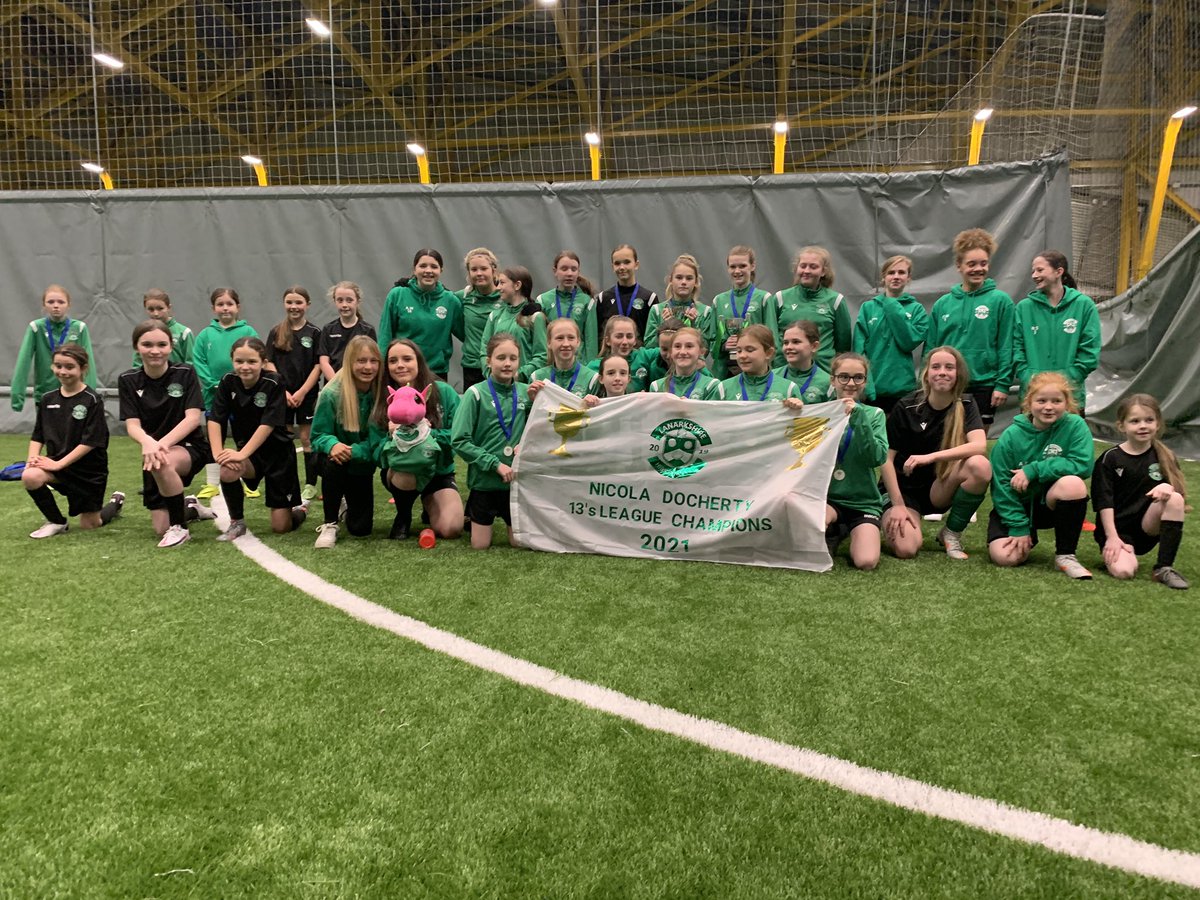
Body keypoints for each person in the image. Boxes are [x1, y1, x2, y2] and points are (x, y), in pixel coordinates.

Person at [879, 346, 991, 561]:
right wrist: (898, 505)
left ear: (958, 374)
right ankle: (886, 517)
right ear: (926, 374)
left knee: (980, 465)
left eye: (949, 367)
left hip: (939, 488)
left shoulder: (966, 403)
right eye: (936, 367)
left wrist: (930, 457)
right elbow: (886, 459)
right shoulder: (907, 406)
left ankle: (951, 533)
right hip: (904, 492)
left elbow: (979, 446)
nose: (942, 372)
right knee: (907, 549)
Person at [987, 371, 1094, 579]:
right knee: (1005, 557)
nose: (1048, 406)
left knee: (1073, 484)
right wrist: (1018, 526)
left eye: (1056, 401)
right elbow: (1001, 485)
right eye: (1041, 400)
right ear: (1029, 402)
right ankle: (1026, 535)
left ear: (1066, 402)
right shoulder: (1010, 437)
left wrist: (1034, 470)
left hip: (1051, 504)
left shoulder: (1075, 425)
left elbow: (1082, 464)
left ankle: (1066, 555)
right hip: (1020, 505)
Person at [118, 321, 215, 548]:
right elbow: (132, 425)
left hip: (189, 447)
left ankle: (180, 529)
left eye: (162, 344)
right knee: (159, 528)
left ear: (170, 347)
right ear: (136, 347)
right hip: (153, 454)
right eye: (147, 344)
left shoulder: (184, 372)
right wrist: (147, 442)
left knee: (160, 463)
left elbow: (192, 419)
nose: (155, 350)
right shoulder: (128, 380)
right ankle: (189, 507)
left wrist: (158, 445)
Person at [207, 338, 307, 540]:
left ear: (263, 362)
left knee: (281, 527)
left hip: (278, 457)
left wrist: (242, 454)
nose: (245, 367)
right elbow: (215, 419)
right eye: (239, 361)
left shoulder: (274, 382)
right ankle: (237, 523)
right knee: (227, 468)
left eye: (251, 362)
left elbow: (267, 425)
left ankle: (300, 510)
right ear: (232, 361)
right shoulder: (227, 382)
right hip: (250, 456)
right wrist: (218, 453)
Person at [23, 344, 123, 538]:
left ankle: (115, 503)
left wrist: (60, 463)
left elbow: (92, 441)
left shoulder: (92, 399)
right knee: (30, 476)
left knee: (90, 524)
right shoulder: (46, 399)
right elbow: (38, 435)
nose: (63, 371)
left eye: (69, 367)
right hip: (57, 466)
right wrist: (32, 460)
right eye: (58, 366)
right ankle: (57, 522)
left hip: (88, 472)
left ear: (83, 369)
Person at [1093, 393, 1189, 589]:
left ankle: (1163, 568)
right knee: (1124, 572)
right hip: (1116, 531)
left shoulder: (1164, 456)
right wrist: (1112, 538)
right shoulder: (1110, 459)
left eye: (1149, 420)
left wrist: (1168, 487)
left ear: (1158, 424)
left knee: (1175, 498)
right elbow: (1104, 502)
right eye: (1135, 421)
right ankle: (1117, 554)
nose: (1143, 426)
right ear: (1122, 426)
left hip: (1147, 527)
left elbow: (1179, 498)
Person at [376, 338, 464, 540]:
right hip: (401, 471)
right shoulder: (383, 398)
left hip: (438, 472)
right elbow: (375, 447)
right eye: (393, 361)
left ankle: (429, 504)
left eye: (407, 359)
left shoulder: (444, 392)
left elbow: (459, 436)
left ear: (419, 362)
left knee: (450, 528)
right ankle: (404, 515)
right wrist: (393, 438)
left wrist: (425, 435)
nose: (400, 365)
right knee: (408, 467)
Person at [927, 229, 1014, 430]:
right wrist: (929, 380)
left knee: (975, 444)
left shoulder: (1001, 302)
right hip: (949, 382)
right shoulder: (943, 304)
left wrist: (1002, 384)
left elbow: (1007, 346)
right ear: (959, 266)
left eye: (983, 263)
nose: (978, 269)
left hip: (984, 383)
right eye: (971, 264)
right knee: (946, 440)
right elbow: (931, 348)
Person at [451, 334, 531, 549]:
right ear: (488, 361)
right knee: (480, 545)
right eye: (501, 358)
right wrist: (494, 464)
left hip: (515, 484)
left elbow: (540, 430)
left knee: (519, 544)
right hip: (485, 483)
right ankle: (472, 515)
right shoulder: (475, 393)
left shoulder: (526, 393)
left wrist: (526, 445)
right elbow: (459, 440)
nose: (507, 363)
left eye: (513, 358)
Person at [310, 336, 384, 548]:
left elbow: (379, 442)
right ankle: (330, 523)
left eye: (373, 361)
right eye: (361, 361)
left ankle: (345, 505)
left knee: (361, 529)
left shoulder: (381, 395)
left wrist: (355, 451)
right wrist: (332, 445)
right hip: (335, 460)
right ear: (349, 362)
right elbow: (317, 436)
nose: (367, 367)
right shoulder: (331, 394)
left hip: (361, 465)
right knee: (332, 462)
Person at [192, 287, 259, 499]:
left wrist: (240, 384)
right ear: (213, 308)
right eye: (220, 304)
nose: (225, 308)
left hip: (243, 397)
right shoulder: (205, 335)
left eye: (229, 304)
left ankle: (249, 480)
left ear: (238, 307)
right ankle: (212, 482)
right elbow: (199, 361)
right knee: (215, 438)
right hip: (214, 396)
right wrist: (213, 384)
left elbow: (256, 357)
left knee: (245, 436)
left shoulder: (248, 332)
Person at [1014, 250, 1101, 411]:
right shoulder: (1023, 308)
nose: (1034, 275)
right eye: (1033, 271)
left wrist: (1069, 378)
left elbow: (1090, 351)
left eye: (1040, 270)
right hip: (1033, 396)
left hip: (1070, 396)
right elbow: (1016, 348)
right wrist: (1028, 377)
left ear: (1059, 272)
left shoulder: (1084, 305)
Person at [824, 353, 888, 570]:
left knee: (866, 562)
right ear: (832, 380)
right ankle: (834, 530)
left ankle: (847, 530)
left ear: (865, 382)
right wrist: (791, 409)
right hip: (828, 499)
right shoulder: (820, 412)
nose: (851, 383)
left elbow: (876, 458)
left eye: (858, 377)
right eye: (843, 377)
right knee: (809, 535)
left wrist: (859, 417)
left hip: (863, 502)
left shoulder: (875, 414)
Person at [265, 286, 322, 502]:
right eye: (289, 302)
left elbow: (318, 365)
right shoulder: (276, 331)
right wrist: (284, 391)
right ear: (284, 304)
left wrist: (302, 391)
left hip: (306, 394)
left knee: (307, 439)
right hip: (282, 396)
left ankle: (310, 484)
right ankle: (289, 481)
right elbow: (268, 362)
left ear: (307, 304)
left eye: (298, 302)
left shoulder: (315, 333)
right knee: (286, 440)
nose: (294, 307)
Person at [854, 255, 929, 414]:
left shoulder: (917, 310)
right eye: (891, 272)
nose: (896, 277)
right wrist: (865, 383)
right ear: (883, 277)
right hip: (873, 387)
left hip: (903, 387)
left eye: (901, 272)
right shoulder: (868, 308)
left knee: (900, 437)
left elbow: (908, 342)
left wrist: (891, 304)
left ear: (908, 278)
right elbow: (858, 352)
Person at [379, 249, 464, 379]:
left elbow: (467, 335)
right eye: (423, 266)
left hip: (436, 372)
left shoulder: (450, 300)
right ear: (414, 269)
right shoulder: (397, 295)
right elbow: (385, 334)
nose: (428, 271)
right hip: (402, 371)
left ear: (441, 270)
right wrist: (383, 367)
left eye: (434, 266)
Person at [12, 284, 97, 413]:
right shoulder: (36, 328)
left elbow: (88, 362)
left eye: (61, 302)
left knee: (74, 432)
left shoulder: (79, 328)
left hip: (75, 394)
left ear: (68, 305)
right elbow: (23, 362)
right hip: (45, 394)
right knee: (48, 433)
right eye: (51, 302)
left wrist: (90, 395)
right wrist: (17, 397)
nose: (56, 305)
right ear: (44, 305)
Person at [772, 246, 851, 371]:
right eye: (803, 266)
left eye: (813, 267)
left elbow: (843, 344)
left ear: (823, 271)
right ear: (796, 268)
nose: (807, 271)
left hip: (823, 371)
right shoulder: (780, 298)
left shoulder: (835, 301)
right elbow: (772, 337)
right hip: (785, 371)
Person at [712, 245, 777, 377]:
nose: (737, 271)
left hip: (757, 370)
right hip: (725, 371)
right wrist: (724, 345)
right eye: (732, 267)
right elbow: (712, 340)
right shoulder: (719, 300)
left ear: (752, 266)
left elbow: (772, 338)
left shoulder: (763, 298)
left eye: (742, 266)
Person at [480, 265, 547, 382]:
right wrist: (490, 373)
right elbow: (484, 350)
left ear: (517, 285)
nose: (497, 288)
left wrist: (519, 375)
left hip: (525, 387)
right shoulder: (495, 316)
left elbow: (542, 356)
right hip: (497, 386)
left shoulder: (534, 317)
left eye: (502, 283)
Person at [644, 255, 718, 354]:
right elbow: (649, 347)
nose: (683, 282)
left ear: (696, 282)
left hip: (693, 368)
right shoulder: (657, 310)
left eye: (689, 278)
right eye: (679, 277)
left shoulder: (705, 312)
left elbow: (705, 350)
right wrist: (665, 328)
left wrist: (694, 326)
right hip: (662, 368)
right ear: (671, 280)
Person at [537, 250, 598, 363]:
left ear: (578, 272)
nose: (569, 273)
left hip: (579, 365)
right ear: (555, 271)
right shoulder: (543, 301)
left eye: (573, 269)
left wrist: (591, 368)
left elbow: (591, 342)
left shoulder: (587, 302)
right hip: (551, 365)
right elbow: (539, 340)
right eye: (564, 269)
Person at [718, 325, 802, 407]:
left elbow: (797, 420)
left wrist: (796, 408)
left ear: (768, 353)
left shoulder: (788, 389)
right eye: (739, 351)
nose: (742, 356)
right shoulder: (724, 388)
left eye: (750, 350)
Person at [457, 248, 504, 390]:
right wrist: (411, 284)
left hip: (499, 365)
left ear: (493, 270)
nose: (479, 273)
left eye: (484, 268)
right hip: (472, 367)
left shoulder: (505, 296)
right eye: (474, 269)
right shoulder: (463, 297)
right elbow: (439, 296)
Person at [597, 244, 658, 340]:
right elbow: (599, 335)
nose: (622, 267)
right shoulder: (603, 298)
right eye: (617, 263)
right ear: (612, 267)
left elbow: (653, 335)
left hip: (639, 354)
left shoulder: (649, 298)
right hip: (611, 354)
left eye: (627, 262)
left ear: (636, 264)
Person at [318, 281, 376, 380]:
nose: (344, 305)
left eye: (349, 300)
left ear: (357, 301)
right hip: (333, 385)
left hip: (358, 384)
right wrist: (336, 383)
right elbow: (323, 362)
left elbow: (370, 361)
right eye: (340, 300)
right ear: (334, 301)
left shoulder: (367, 330)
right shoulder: (328, 329)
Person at [529, 318, 600, 399]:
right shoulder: (537, 377)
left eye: (571, 338)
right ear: (549, 343)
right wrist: (531, 400)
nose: (566, 344)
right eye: (560, 338)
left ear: (578, 342)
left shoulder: (591, 379)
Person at [649, 326, 723, 399]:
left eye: (689, 346)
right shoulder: (657, 387)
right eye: (677, 346)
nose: (683, 352)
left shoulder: (711, 386)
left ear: (701, 352)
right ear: (671, 351)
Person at [773, 320, 831, 404]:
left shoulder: (826, 382)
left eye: (796, 342)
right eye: (785, 343)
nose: (789, 347)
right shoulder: (772, 376)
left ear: (814, 346)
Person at [132, 288, 194, 367]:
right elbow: (137, 364)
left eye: (160, 308)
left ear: (169, 307)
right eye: (151, 309)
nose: (156, 313)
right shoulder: (142, 333)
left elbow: (191, 363)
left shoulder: (184, 332)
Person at [587, 316, 643, 391]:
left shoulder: (644, 356)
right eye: (619, 336)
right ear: (608, 341)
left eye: (629, 336)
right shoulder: (593, 367)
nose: (625, 342)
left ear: (635, 340)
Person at [628, 316, 684, 391]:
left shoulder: (696, 365)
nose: (669, 355)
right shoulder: (654, 367)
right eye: (664, 349)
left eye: (675, 348)